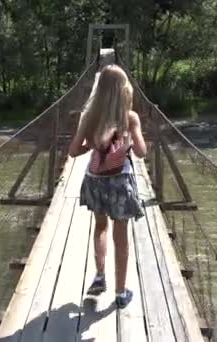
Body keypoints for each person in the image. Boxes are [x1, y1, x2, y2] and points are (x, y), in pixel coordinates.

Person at [68, 64, 147, 309]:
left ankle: (100, 274)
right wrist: (129, 143)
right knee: (121, 237)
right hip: (119, 183)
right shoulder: (129, 117)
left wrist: (93, 146)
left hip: (94, 180)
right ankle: (121, 293)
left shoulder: (89, 116)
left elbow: (73, 151)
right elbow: (142, 153)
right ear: (124, 91)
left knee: (100, 227)